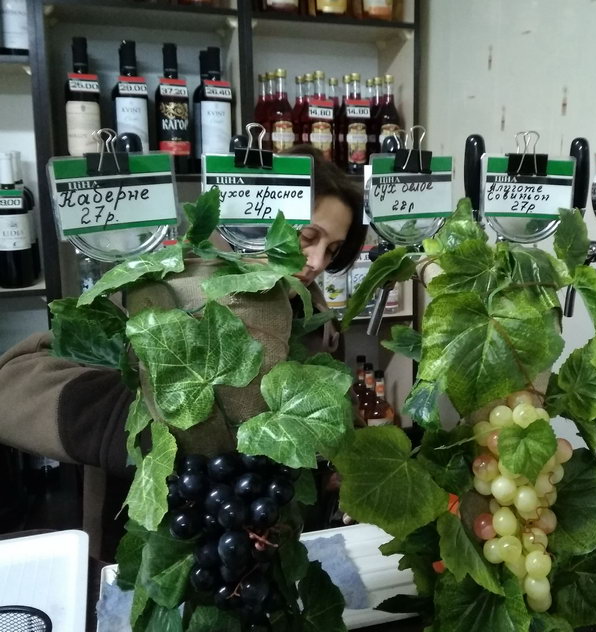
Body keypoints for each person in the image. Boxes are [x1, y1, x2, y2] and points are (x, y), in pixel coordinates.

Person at [0, 146, 366, 558]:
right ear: (254, 219)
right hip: (162, 548)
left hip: (266, 553)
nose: (317, 261)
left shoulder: (316, 319)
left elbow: (327, 423)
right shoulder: (166, 292)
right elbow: (12, 383)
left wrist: (339, 460)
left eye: (332, 249)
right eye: (307, 237)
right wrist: (146, 414)